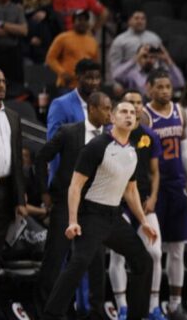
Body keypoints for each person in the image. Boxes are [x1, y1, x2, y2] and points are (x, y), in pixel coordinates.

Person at [42, 101, 156, 320]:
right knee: (78, 264)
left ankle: (137, 316)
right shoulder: (97, 146)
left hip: (114, 216)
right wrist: (73, 220)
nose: (129, 115)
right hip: (91, 215)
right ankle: (51, 315)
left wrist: (143, 222)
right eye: (123, 111)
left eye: (133, 113)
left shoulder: (132, 151)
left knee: (144, 261)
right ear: (112, 118)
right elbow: (75, 186)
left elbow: (130, 191)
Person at [34, 92, 111, 313]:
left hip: (96, 207)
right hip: (65, 204)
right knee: (55, 259)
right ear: (92, 109)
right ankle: (46, 313)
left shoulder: (112, 138)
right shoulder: (69, 132)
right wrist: (44, 192)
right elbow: (41, 157)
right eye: (106, 109)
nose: (109, 114)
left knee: (96, 263)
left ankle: (94, 314)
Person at [141, 69, 187, 320]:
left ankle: (175, 304)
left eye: (168, 86)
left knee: (177, 250)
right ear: (149, 88)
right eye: (160, 86)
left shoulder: (179, 112)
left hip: (177, 187)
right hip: (155, 188)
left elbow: (184, 153)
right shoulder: (144, 116)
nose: (165, 90)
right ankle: (151, 304)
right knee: (153, 250)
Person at [107, 89, 165, 320]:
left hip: (143, 201)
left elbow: (155, 171)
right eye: (130, 103)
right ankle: (122, 306)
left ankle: (153, 307)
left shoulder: (149, 136)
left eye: (139, 103)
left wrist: (154, 197)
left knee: (156, 253)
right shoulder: (110, 135)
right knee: (118, 255)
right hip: (118, 203)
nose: (135, 107)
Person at [0, 68, 27, 312]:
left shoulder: (13, 116)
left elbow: (17, 161)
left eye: (3, 81)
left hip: (6, 192)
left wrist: (20, 198)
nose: (1, 85)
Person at [45, 9, 99, 89]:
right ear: (73, 22)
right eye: (79, 20)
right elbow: (50, 59)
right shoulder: (63, 38)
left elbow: (95, 64)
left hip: (86, 87)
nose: (82, 22)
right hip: (67, 85)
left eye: (85, 20)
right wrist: (63, 73)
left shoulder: (93, 42)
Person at [21, 0, 62, 64]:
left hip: (43, 46)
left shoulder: (48, 4)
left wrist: (46, 15)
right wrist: (29, 39)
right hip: (25, 44)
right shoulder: (20, 1)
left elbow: (55, 24)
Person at [113, 43, 185, 93]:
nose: (148, 60)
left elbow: (180, 83)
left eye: (152, 57)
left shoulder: (161, 74)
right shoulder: (132, 74)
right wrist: (135, 59)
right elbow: (116, 76)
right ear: (139, 57)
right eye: (145, 56)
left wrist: (167, 59)